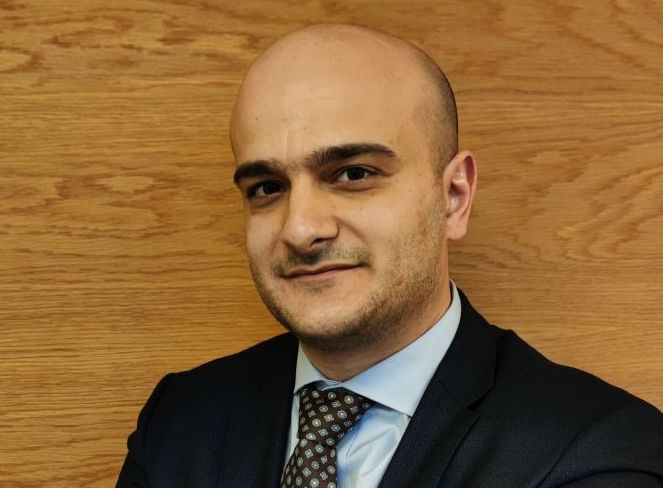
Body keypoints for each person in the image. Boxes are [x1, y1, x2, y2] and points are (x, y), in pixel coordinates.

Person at [116, 24, 663, 488]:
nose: (301, 229)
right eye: (267, 187)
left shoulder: (600, 451)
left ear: (454, 197)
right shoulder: (181, 419)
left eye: (354, 174)